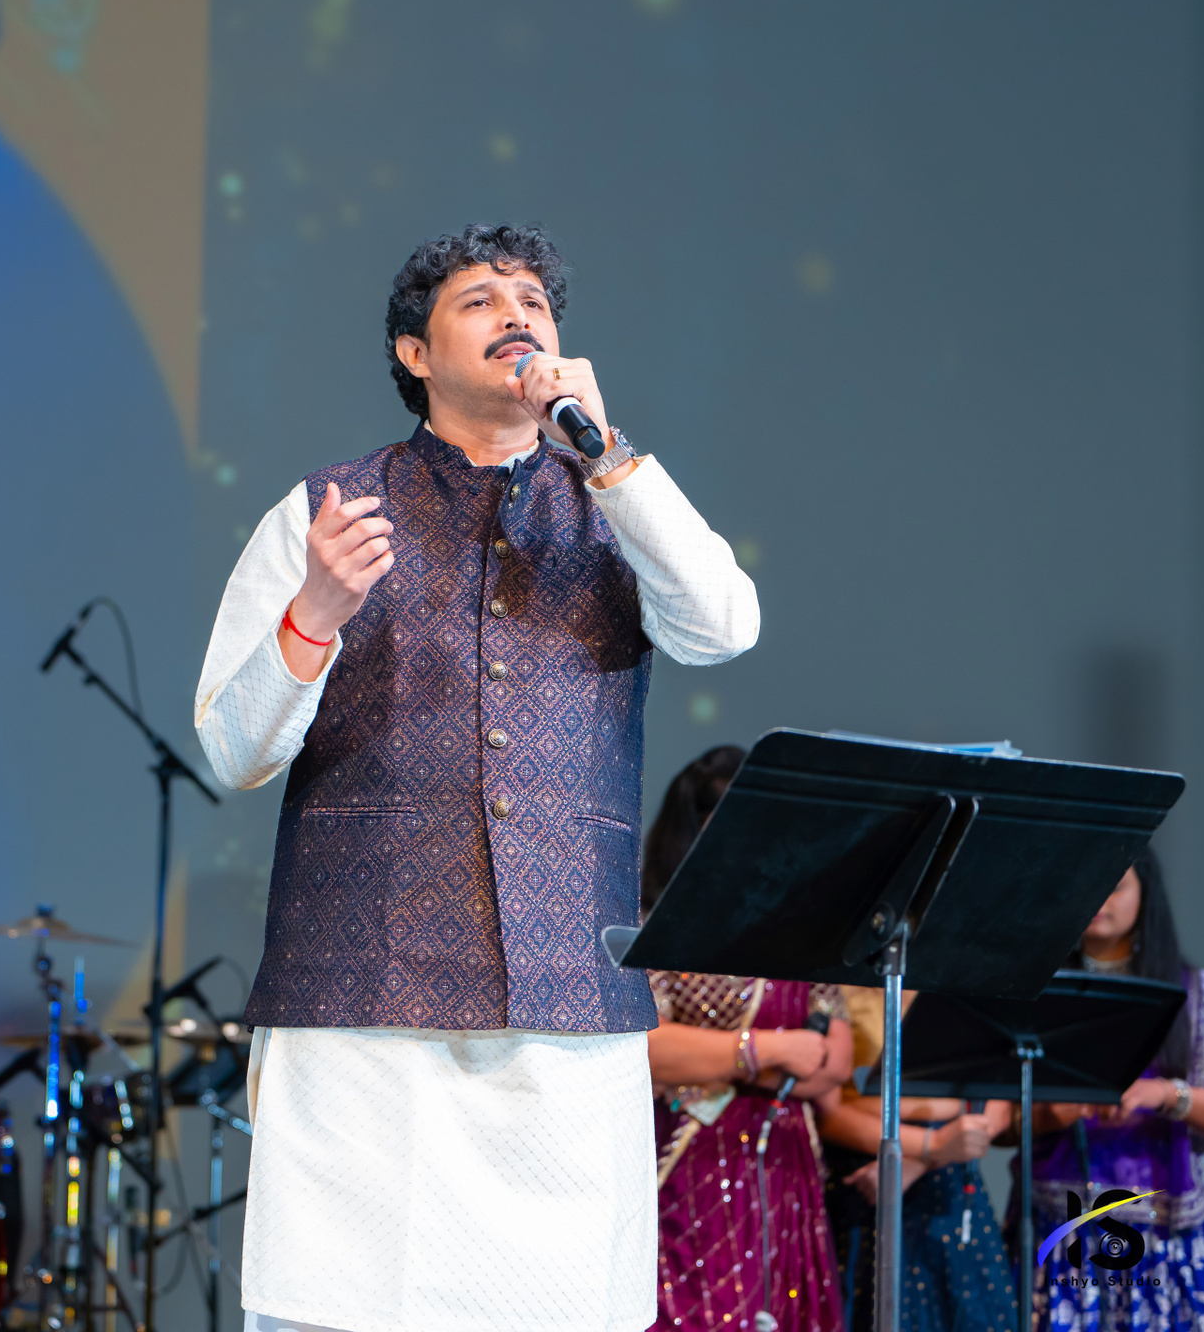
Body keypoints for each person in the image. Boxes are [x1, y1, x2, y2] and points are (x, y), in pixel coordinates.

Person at [195, 223, 760, 1332]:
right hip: (365, 1024)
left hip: (565, 1021)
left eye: (534, 301)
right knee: (347, 1308)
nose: (517, 315)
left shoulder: (613, 500)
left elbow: (725, 626)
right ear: (414, 354)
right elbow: (233, 749)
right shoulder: (327, 513)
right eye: (480, 300)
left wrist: (608, 455)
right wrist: (314, 615)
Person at [640, 746, 853, 1332]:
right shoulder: (658, 929)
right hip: (691, 1157)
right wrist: (767, 1051)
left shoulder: (802, 937)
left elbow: (835, 1061)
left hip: (785, 1160)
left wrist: (728, 1058)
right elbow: (648, 1049)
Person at [1021, 849, 1204, 1330]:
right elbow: (998, 1123)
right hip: (1061, 1231)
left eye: (1116, 885)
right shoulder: (1036, 992)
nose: (1098, 900)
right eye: (1087, 886)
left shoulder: (1197, 992)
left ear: (1146, 892)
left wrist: (1167, 1095)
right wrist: (1051, 1113)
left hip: (1163, 1234)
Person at [815, 986, 1015, 1332]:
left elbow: (999, 1100)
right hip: (867, 1173)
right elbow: (827, 1113)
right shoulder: (839, 990)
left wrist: (925, 1158)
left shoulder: (957, 983)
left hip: (949, 1181)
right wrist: (930, 1145)